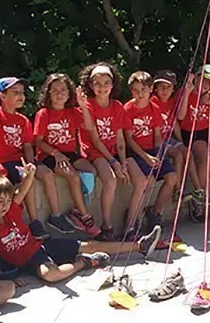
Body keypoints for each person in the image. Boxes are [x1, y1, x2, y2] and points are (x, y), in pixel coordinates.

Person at [0, 165, 161, 283]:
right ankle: (83, 263)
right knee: (51, 275)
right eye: (0, 202)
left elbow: (22, 192)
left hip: (42, 245)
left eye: (7, 201)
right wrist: (8, 279)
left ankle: (139, 246)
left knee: (91, 244)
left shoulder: (11, 211)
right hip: (29, 260)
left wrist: (30, 174)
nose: (5, 206)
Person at [0, 59, 46, 239]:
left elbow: (27, 146)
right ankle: (8, 225)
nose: (21, 96)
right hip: (0, 164)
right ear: (2, 96)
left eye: (22, 93)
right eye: (15, 92)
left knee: (29, 179)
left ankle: (34, 221)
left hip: (18, 162)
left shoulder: (23, 120)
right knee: (5, 191)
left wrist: (31, 165)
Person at [32, 73, 101, 237]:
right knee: (73, 177)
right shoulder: (44, 113)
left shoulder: (72, 112)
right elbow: (38, 141)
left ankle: (77, 209)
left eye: (63, 90)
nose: (59, 94)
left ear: (69, 93)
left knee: (91, 171)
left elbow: (89, 127)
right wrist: (55, 153)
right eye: (54, 91)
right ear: (48, 93)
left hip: (69, 153)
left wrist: (83, 106)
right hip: (49, 154)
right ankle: (86, 217)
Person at [78, 62, 131, 241]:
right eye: (97, 83)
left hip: (111, 152)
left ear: (113, 84)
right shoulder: (88, 105)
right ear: (90, 85)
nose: (102, 87)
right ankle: (107, 225)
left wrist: (122, 161)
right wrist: (113, 162)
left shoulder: (117, 106)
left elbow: (120, 138)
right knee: (110, 181)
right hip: (95, 152)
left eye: (106, 82)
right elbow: (95, 140)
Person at [124, 71, 177, 236]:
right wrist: (146, 158)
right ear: (131, 91)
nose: (140, 94)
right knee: (146, 181)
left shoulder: (154, 108)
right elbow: (129, 139)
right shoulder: (128, 108)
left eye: (144, 90)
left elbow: (157, 135)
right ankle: (130, 225)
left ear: (150, 90)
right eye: (136, 90)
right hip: (134, 151)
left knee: (172, 177)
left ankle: (155, 212)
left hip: (152, 150)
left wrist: (159, 156)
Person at [176, 65, 210, 222]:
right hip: (187, 132)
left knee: (208, 159)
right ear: (195, 78)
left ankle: (199, 196)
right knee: (204, 159)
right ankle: (199, 193)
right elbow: (181, 117)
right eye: (203, 79)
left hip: (203, 133)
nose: (206, 84)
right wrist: (190, 94)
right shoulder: (186, 93)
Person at [150, 70, 188, 201]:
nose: (165, 90)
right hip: (157, 140)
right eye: (161, 87)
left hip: (168, 138)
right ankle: (177, 190)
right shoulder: (152, 102)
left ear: (173, 89)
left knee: (185, 152)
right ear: (155, 88)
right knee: (177, 155)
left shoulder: (171, 102)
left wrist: (181, 141)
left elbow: (174, 123)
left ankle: (193, 188)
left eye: (168, 87)